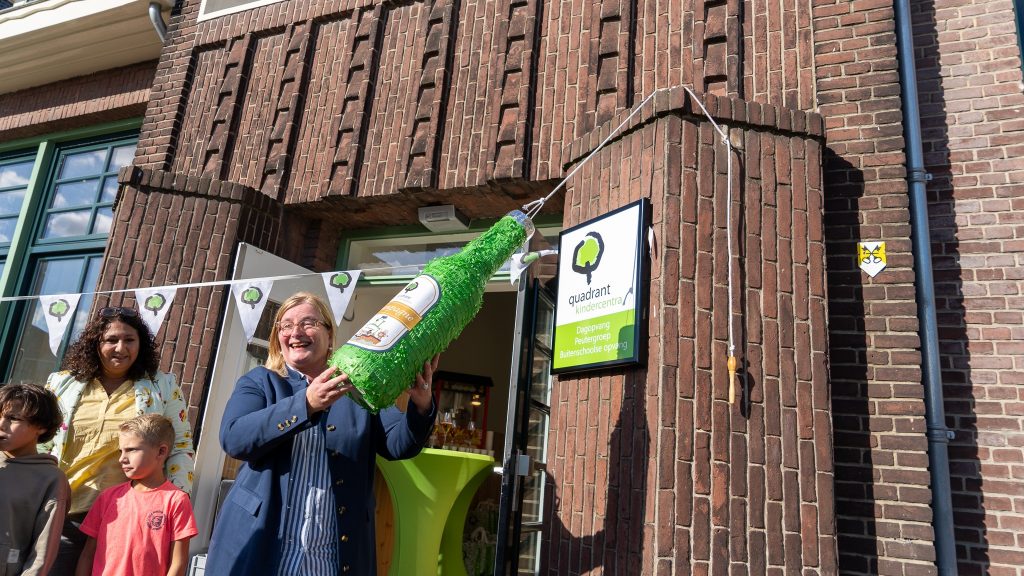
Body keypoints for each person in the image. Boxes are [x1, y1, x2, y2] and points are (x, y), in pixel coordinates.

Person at [206, 292, 438, 576]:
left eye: (307, 323)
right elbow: (234, 438)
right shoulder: (260, 382)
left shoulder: (358, 386)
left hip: (332, 560)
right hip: (260, 553)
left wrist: (421, 404)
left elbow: (399, 445)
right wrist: (306, 404)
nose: (295, 332)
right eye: (286, 325)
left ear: (330, 334)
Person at [44, 307, 194, 576]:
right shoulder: (61, 384)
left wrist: (171, 505)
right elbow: (41, 442)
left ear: (141, 344)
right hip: (65, 515)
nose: (120, 347)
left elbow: (180, 447)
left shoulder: (163, 386)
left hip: (128, 519)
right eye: (111, 339)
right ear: (95, 343)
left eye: (129, 340)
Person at [75, 414, 197, 576]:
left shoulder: (176, 500)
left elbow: (178, 563)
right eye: (121, 451)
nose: (122, 459)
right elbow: (88, 554)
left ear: (161, 452)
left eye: (131, 450)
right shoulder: (109, 497)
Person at [0, 383, 69, 576]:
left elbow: (42, 551)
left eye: (12, 418)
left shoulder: (51, 479)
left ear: (41, 426)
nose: (1, 425)